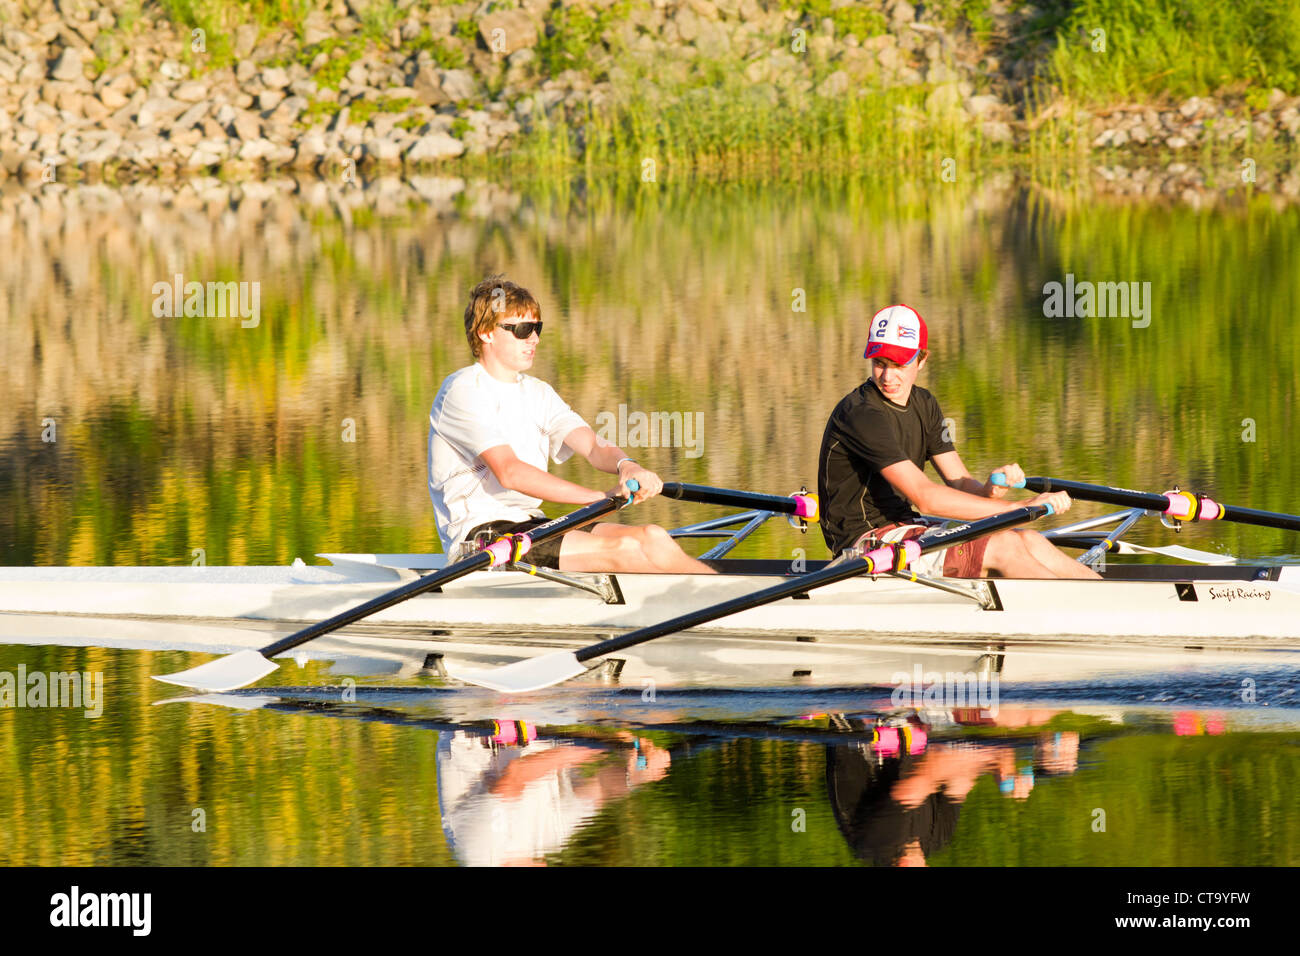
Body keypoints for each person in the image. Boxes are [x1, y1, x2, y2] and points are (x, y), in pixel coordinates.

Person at [428, 275, 714, 574]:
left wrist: (627, 466)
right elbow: (510, 473)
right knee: (626, 549)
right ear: (486, 332)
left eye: (537, 328)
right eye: (523, 329)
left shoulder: (537, 392)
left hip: (531, 525)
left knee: (653, 537)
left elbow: (591, 445)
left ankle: (724, 598)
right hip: (482, 541)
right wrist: (600, 498)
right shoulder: (462, 390)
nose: (534, 339)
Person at [816, 304, 1100, 579]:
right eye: (880, 363)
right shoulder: (861, 414)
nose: (888, 376)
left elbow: (962, 484)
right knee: (1004, 546)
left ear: (922, 359)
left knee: (1028, 538)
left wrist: (990, 489)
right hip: (864, 545)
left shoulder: (924, 403)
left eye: (899, 364)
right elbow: (925, 498)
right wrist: (1021, 507)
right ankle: (1085, 620)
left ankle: (1106, 604)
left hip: (910, 528)